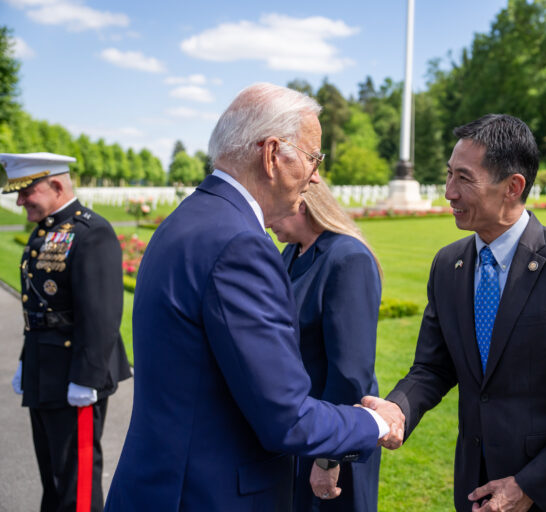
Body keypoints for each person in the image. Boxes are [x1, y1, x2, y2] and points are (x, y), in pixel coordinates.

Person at [104, 83, 404, 512]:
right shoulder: (240, 244)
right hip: (211, 494)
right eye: (313, 157)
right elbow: (287, 418)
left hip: (163, 483)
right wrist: (374, 421)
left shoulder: (185, 222)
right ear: (271, 155)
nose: (316, 175)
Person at [363, 114, 546, 512]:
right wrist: (398, 407)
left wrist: (529, 485)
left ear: (513, 186)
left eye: (464, 179)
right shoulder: (448, 264)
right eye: (449, 175)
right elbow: (433, 368)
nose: (449, 193)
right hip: (477, 489)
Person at [2, 152, 132, 512]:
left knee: (77, 482)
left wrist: (87, 379)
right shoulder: (47, 230)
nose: (19, 200)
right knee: (54, 475)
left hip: (76, 375)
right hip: (44, 371)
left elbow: (102, 313)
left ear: (56, 185)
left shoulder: (92, 232)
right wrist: (25, 362)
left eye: (26, 191)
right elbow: (39, 307)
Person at [270, 178, 383, 511]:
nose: (267, 220)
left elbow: (350, 372)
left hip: (334, 431)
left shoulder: (347, 258)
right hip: (301, 425)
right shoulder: (291, 251)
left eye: (274, 210)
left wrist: (328, 459)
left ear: (301, 205)